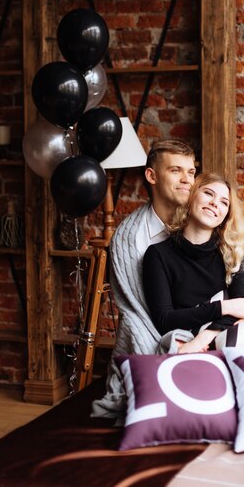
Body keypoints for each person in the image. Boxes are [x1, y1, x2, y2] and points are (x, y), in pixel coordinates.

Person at [92, 139, 197, 417]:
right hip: (160, 327)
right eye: (176, 171)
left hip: (208, 321)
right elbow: (137, 311)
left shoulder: (202, 219)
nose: (187, 180)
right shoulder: (131, 238)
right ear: (152, 176)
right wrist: (175, 347)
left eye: (191, 172)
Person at [142, 172, 244, 353]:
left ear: (226, 215)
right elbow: (164, 319)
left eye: (224, 202)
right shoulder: (158, 255)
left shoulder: (235, 253)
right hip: (205, 343)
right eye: (208, 193)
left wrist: (203, 338)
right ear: (191, 197)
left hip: (234, 339)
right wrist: (225, 306)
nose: (215, 203)